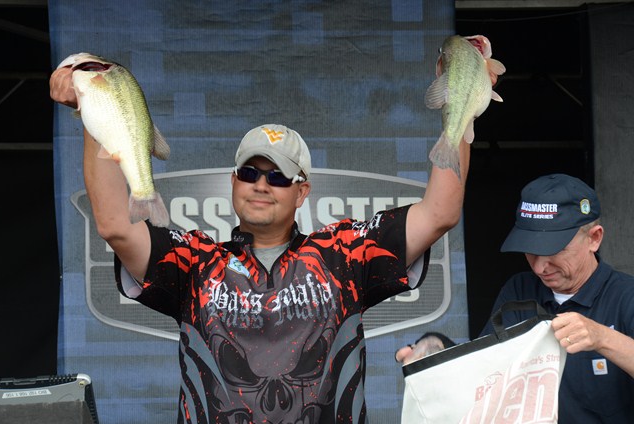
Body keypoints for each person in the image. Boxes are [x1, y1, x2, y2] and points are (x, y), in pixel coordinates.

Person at [50, 64, 470, 424]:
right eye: (250, 173)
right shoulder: (195, 261)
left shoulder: (344, 252)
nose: (262, 185)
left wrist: (463, 100)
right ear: (234, 182)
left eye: (279, 176)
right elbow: (115, 225)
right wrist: (94, 106)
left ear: (302, 192)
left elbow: (439, 213)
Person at [480, 173, 634, 423]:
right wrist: (436, 351)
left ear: (594, 238)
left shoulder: (626, 297)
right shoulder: (519, 290)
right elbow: (484, 367)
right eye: (530, 250)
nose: (540, 267)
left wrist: (602, 337)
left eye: (554, 250)